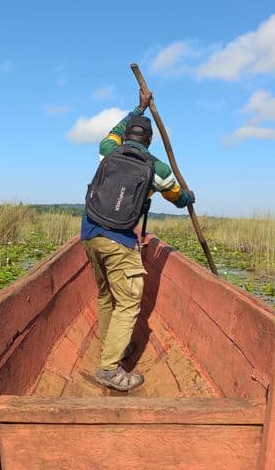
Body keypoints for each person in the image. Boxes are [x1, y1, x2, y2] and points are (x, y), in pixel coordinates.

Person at [82, 89, 195, 391]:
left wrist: (138, 108)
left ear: (127, 136)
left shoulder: (108, 149)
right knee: (130, 302)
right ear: (149, 141)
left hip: (90, 234)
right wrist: (189, 197)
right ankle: (109, 368)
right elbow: (178, 199)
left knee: (107, 295)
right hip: (119, 240)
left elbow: (114, 131)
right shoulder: (157, 169)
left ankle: (112, 347)